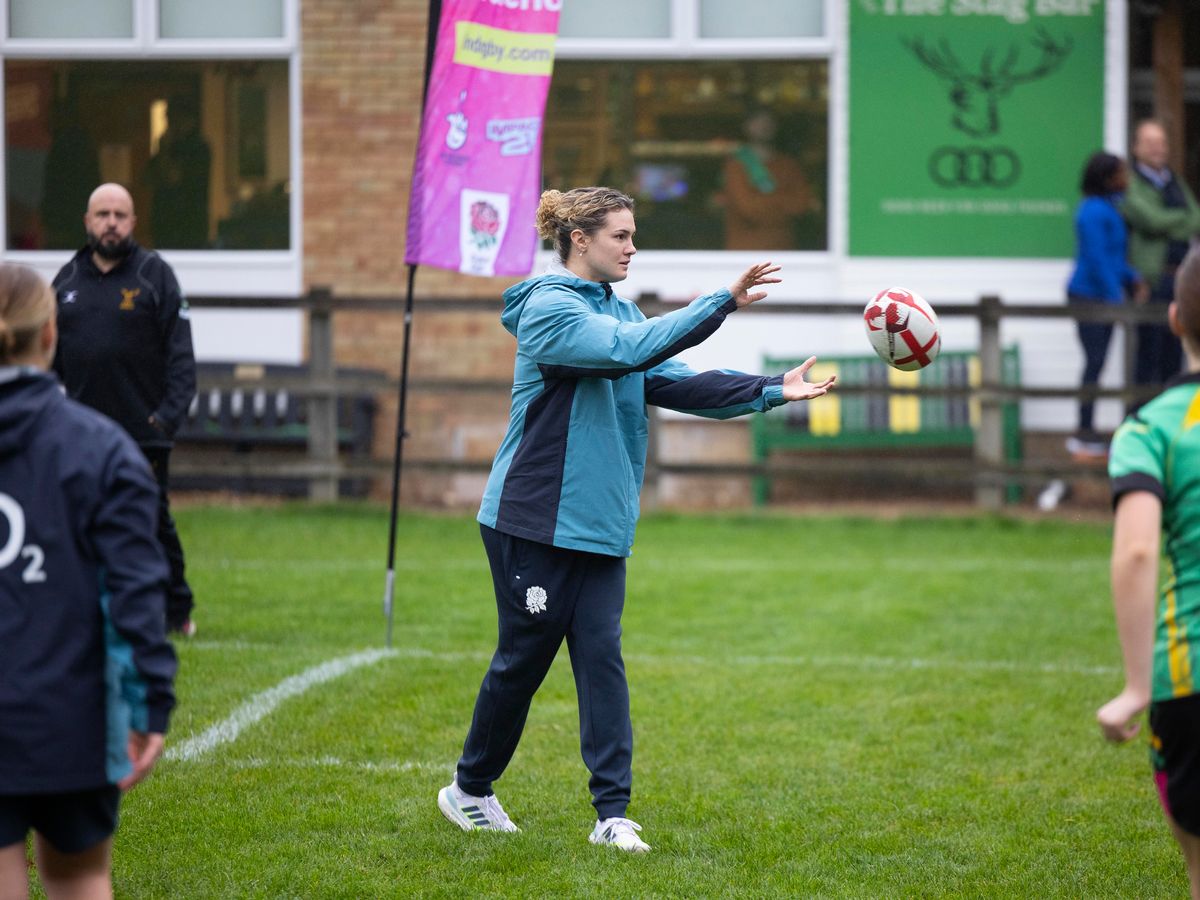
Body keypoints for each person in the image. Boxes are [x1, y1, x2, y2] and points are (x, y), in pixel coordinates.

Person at [436, 186, 836, 852]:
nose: (631, 246)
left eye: (633, 234)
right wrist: (721, 301)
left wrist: (769, 391)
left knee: (601, 659)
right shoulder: (549, 308)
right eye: (620, 235)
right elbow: (623, 351)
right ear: (579, 240)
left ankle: (611, 815)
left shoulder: (620, 313)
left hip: (600, 521)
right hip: (533, 518)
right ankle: (470, 789)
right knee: (522, 664)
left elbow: (673, 380)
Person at [0, 263, 177, 899]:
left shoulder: (99, 451)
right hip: (68, 717)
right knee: (78, 877)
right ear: (51, 334)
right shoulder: (102, 449)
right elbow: (136, 591)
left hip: (55, 712)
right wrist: (149, 700)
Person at [1097, 246, 1200, 900]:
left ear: (1173, 319)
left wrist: (1137, 686)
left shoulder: (1150, 428)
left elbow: (1136, 553)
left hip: (1191, 680)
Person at [52, 183, 198, 636]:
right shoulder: (66, 281)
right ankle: (82, 608)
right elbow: (47, 357)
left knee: (151, 520)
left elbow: (181, 358)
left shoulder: (156, 276)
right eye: (102, 214)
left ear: (133, 222)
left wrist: (164, 418)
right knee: (76, 521)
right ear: (87, 222)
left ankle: (177, 609)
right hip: (81, 432)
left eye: (119, 214)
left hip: (142, 430)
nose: (111, 222)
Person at [1065, 151, 1147, 459]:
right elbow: (1097, 260)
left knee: (1098, 362)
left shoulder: (1111, 209)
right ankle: (1083, 430)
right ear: (1107, 178)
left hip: (1106, 295)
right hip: (1089, 296)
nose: (1126, 180)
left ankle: (1089, 428)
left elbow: (1115, 259)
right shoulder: (1090, 212)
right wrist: (1117, 299)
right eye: (1121, 174)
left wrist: (1133, 277)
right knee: (1094, 361)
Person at [1123, 119, 1200, 409]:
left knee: (1175, 355)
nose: (1158, 149)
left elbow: (1196, 217)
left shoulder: (1173, 181)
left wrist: (1171, 221)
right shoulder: (1131, 183)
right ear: (1136, 147)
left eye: (1162, 142)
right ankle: (1140, 419)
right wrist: (1178, 220)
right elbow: (1150, 220)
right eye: (1150, 143)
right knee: (1148, 355)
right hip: (1152, 280)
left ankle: (1172, 417)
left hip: (1181, 279)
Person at [720, 108, 815, 251]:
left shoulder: (789, 165)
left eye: (768, 121)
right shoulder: (736, 166)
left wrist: (762, 202)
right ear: (746, 126)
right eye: (757, 121)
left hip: (784, 252)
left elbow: (801, 204)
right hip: (744, 253)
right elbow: (748, 209)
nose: (764, 126)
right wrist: (782, 202)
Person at [144, 97, 212, 249]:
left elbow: (174, 178)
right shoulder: (168, 146)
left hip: (188, 226)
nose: (169, 124)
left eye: (172, 118)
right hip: (164, 225)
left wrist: (165, 151)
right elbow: (147, 179)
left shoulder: (198, 148)